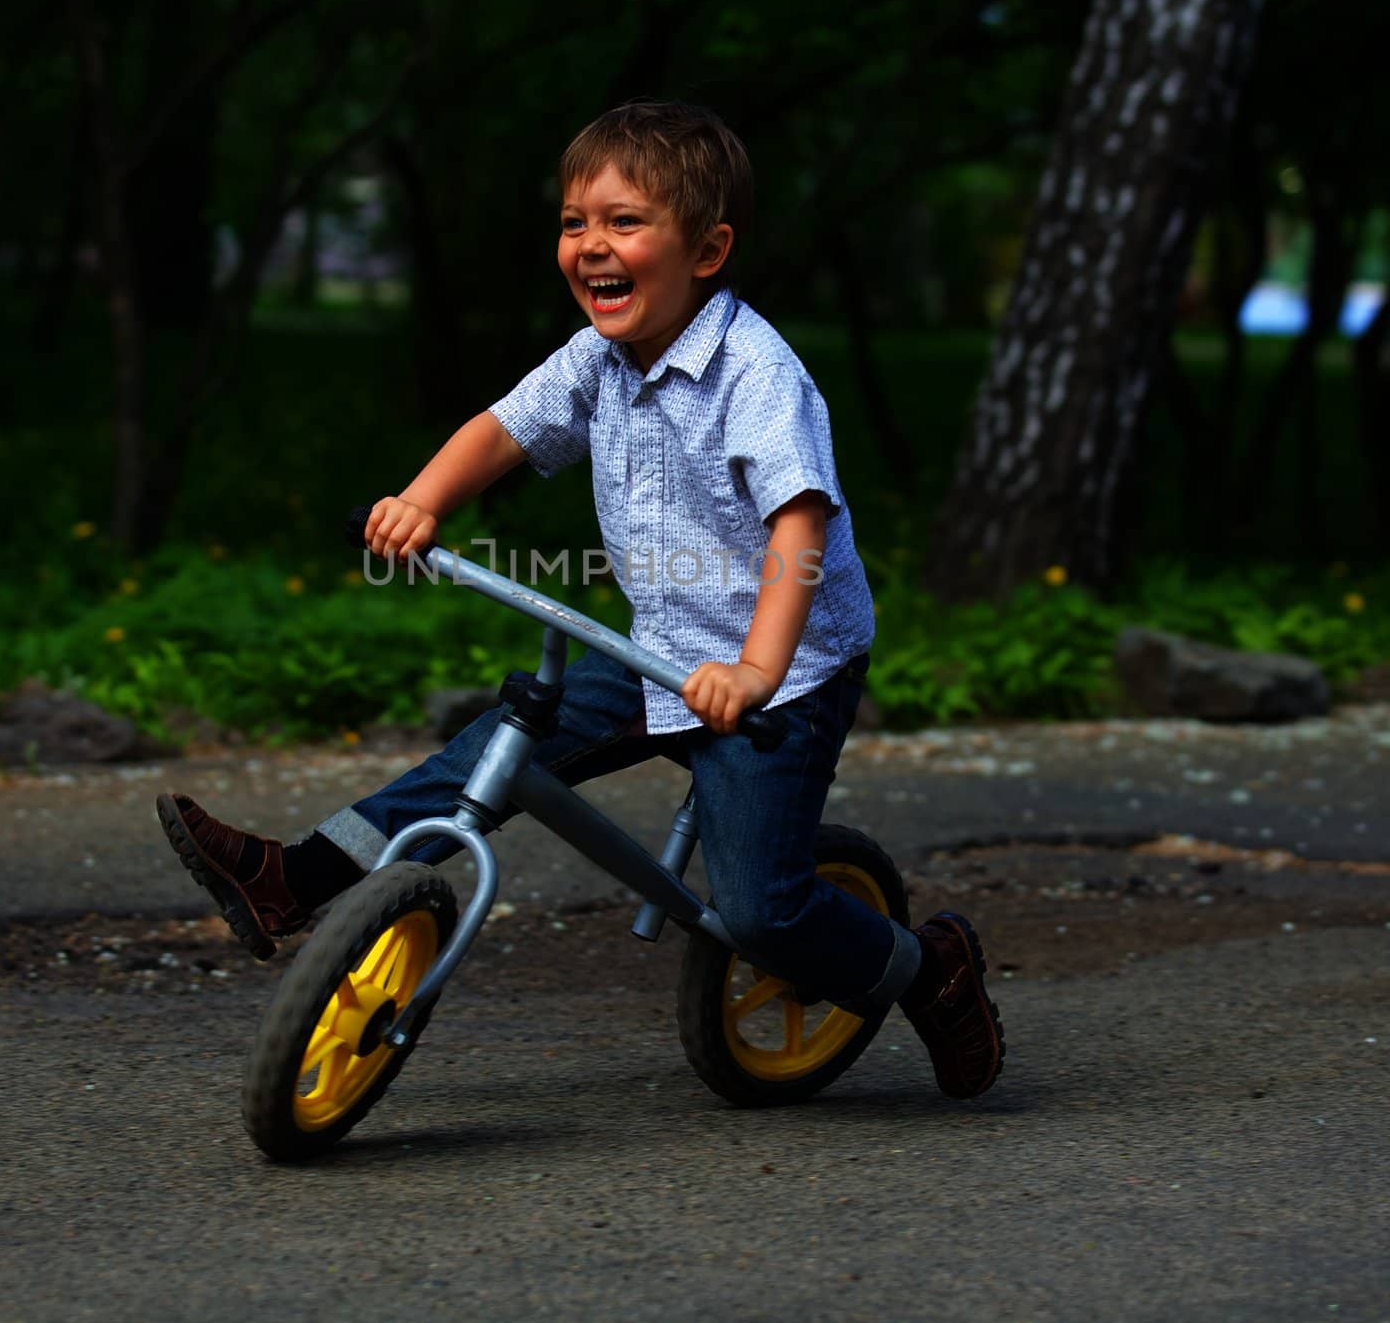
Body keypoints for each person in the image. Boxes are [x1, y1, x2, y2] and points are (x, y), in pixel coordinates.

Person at [156, 100, 1003, 1099]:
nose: (591, 245)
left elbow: (797, 532)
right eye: (573, 222)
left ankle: (925, 967)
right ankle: (293, 879)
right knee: (488, 752)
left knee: (761, 914)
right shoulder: (596, 358)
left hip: (779, 673)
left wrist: (755, 672)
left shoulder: (760, 377)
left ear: (708, 248)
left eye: (625, 221)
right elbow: (503, 429)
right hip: (661, 647)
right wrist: (419, 502)